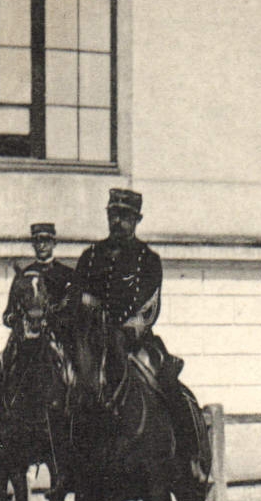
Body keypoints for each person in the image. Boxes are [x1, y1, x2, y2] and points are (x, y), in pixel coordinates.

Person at [75, 188, 208, 485]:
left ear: (137, 220)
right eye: (113, 215)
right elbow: (78, 295)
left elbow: (151, 304)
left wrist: (133, 327)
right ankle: (70, 465)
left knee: (169, 384)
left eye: (125, 217)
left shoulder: (149, 259)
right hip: (97, 340)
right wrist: (88, 308)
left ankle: (190, 457)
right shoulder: (90, 256)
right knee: (75, 386)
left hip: (135, 341)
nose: (118, 222)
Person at [0, 223, 78, 471]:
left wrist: (54, 320)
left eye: (46, 240)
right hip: (24, 342)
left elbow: (74, 312)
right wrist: (16, 320)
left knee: (77, 379)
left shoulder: (66, 275)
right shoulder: (23, 277)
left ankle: (78, 446)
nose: (41, 245)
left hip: (56, 340)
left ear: (54, 243)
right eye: (37, 241)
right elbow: (7, 314)